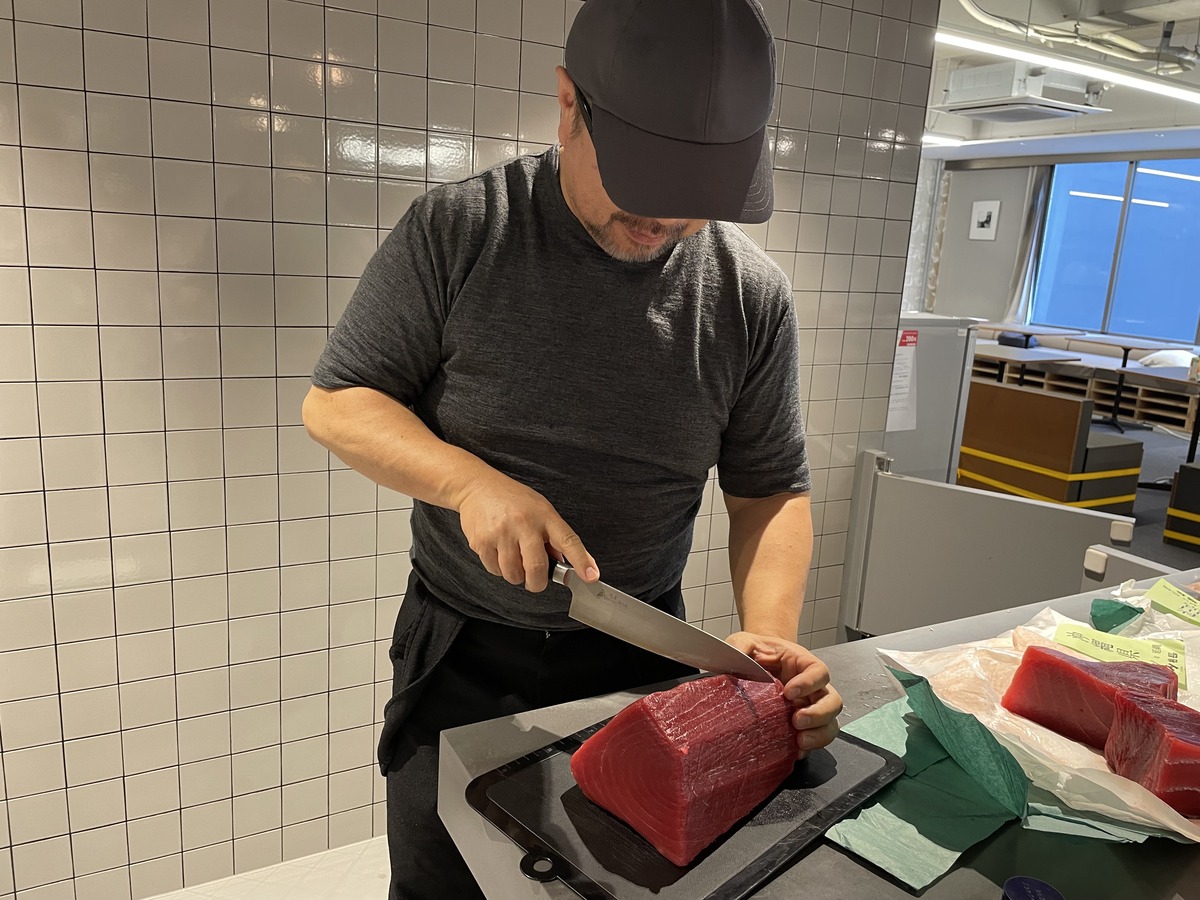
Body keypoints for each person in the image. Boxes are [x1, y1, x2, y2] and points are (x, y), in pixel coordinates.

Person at [302, 0, 843, 897]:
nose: (665, 219)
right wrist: (470, 484)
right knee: (443, 884)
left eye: (696, 195)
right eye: (644, 180)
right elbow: (338, 403)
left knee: (619, 884)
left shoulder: (751, 295)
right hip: (462, 650)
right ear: (568, 106)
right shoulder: (461, 231)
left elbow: (770, 492)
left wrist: (770, 646)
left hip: (643, 655)